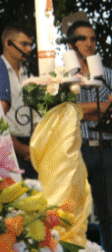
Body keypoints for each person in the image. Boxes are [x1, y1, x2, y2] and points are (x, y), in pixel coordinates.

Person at [64, 16, 112, 233]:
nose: (89, 43)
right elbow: (67, 111)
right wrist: (100, 107)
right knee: (73, 214)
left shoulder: (108, 75)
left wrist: (83, 108)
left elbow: (79, 110)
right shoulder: (61, 76)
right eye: (83, 39)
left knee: (109, 215)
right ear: (71, 44)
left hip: (106, 148)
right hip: (76, 150)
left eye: (93, 39)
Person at [0, 23, 38, 179]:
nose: (29, 49)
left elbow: (37, 113)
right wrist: (20, 148)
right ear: (8, 43)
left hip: (33, 146)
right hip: (6, 146)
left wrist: (36, 146)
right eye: (24, 44)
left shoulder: (31, 72)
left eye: (30, 44)